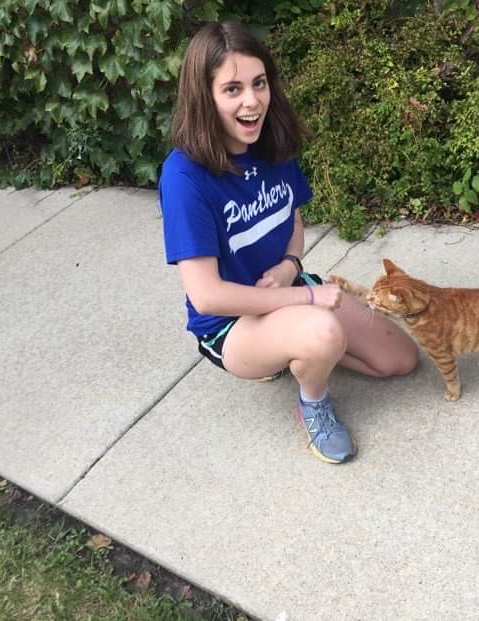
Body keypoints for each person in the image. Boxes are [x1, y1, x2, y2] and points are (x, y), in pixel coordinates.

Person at [158, 21, 418, 464]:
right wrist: (310, 296)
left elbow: (293, 220)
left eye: (259, 83)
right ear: (204, 96)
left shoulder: (270, 142)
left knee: (400, 360)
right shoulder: (185, 177)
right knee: (323, 331)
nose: (252, 101)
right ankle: (313, 401)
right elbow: (206, 296)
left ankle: (294, 354)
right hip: (229, 323)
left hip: (285, 289)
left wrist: (290, 267)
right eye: (233, 89)